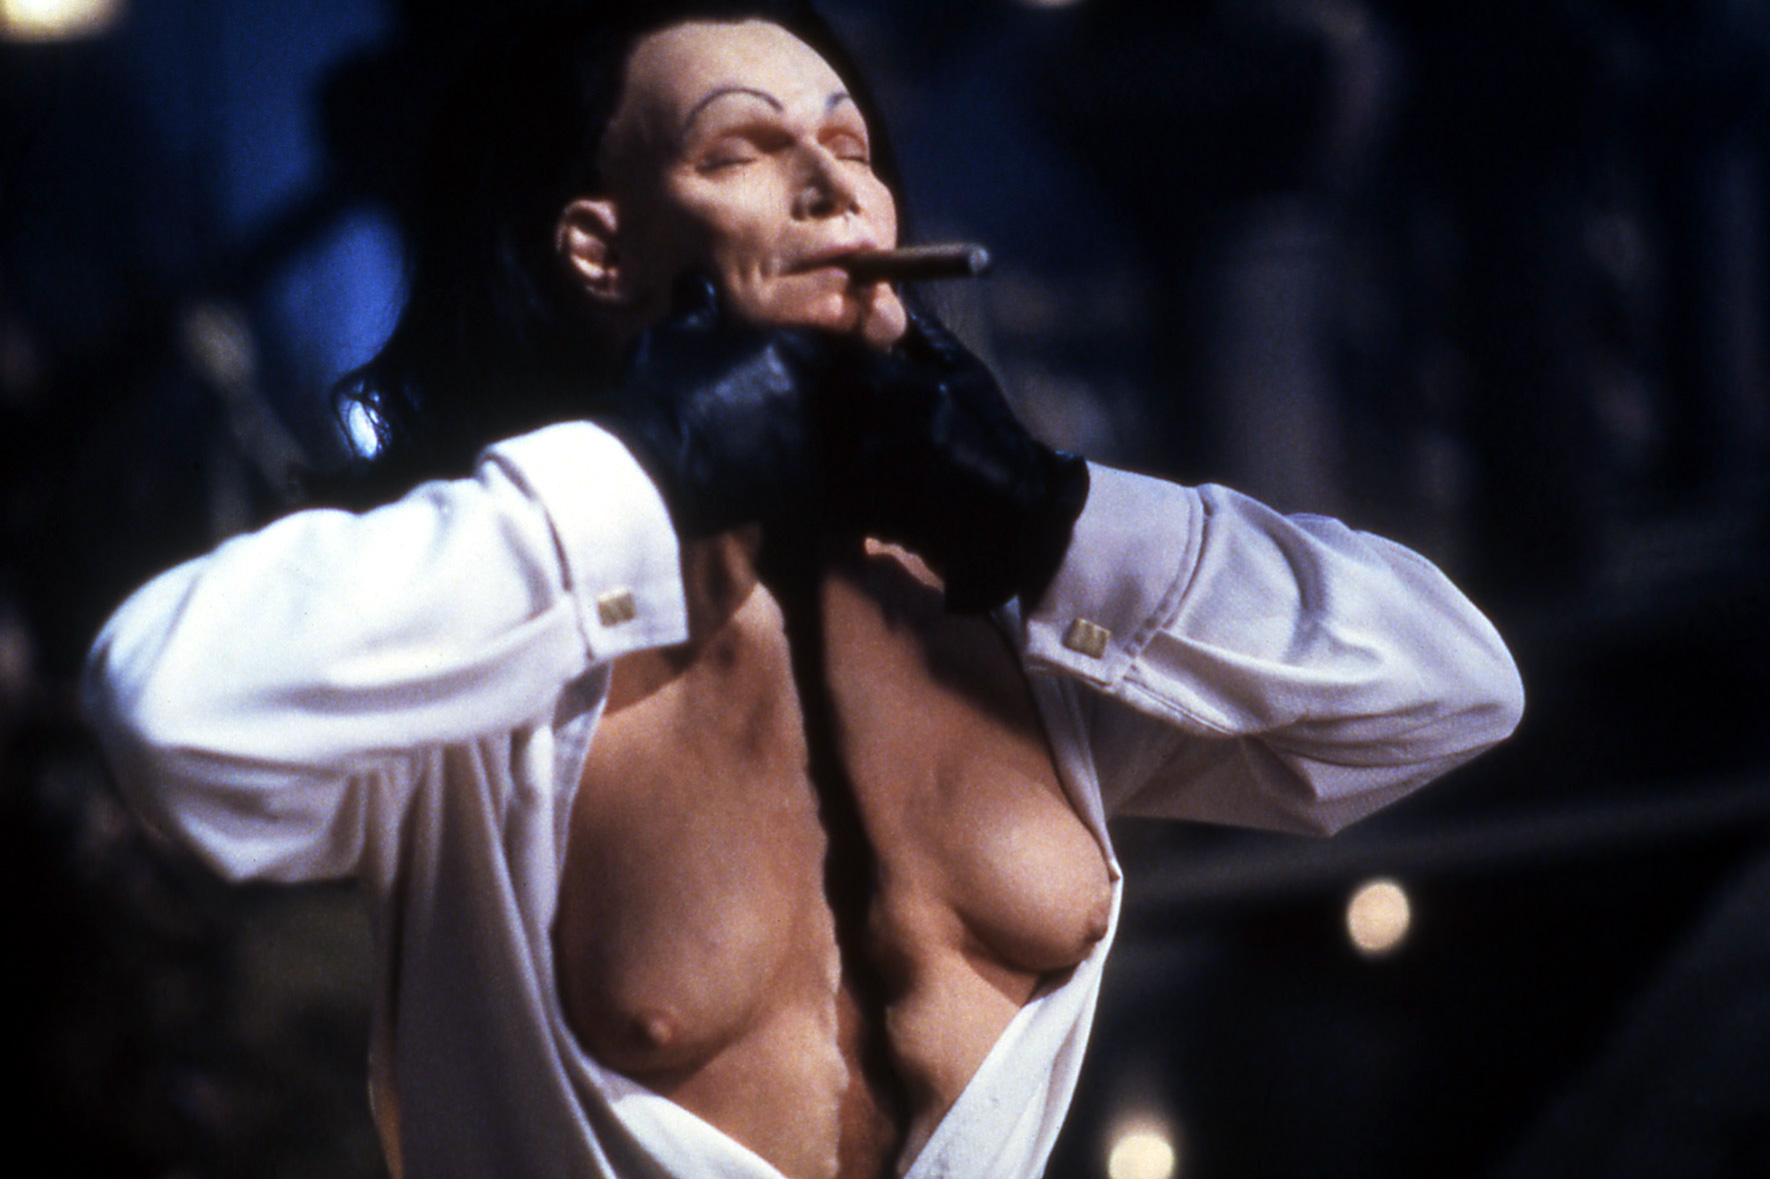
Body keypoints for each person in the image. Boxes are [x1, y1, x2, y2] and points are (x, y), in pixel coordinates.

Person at [81, 2, 1525, 1177]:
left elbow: (1450, 696)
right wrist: (646, 476)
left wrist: (1043, 520)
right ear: (600, 250)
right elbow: (170, 713)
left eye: (849, 144)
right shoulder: (492, 637)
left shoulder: (995, 606)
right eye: (744, 150)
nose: (832, 187)